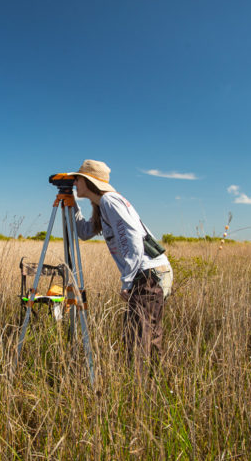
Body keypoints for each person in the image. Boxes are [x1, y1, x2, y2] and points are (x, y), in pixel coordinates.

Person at [68, 159, 173, 370]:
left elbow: (132, 237)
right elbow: (85, 232)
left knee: (138, 339)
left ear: (89, 181)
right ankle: (155, 387)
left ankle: (140, 392)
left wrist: (127, 280)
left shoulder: (109, 201)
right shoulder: (102, 205)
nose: (74, 183)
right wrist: (71, 203)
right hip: (151, 272)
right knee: (147, 337)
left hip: (148, 274)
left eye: (77, 179)